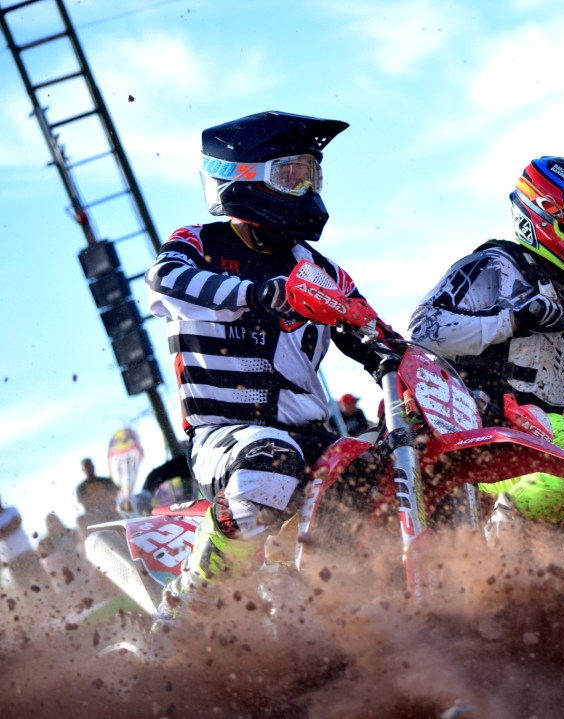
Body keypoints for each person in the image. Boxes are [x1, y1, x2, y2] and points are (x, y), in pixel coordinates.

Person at [144, 111, 398, 629]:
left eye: (312, 176)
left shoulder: (321, 270)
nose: (306, 189)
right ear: (244, 177)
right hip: (226, 436)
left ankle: (360, 619)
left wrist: (403, 360)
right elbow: (164, 280)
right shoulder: (199, 243)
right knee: (270, 458)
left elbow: (375, 332)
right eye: (292, 176)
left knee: (387, 476)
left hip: (315, 439)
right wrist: (259, 294)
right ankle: (187, 606)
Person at [408, 155, 564, 532]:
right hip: (477, 430)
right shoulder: (494, 266)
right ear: (547, 213)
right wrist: (513, 319)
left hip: (534, 435)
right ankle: (501, 542)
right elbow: (424, 328)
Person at [0, 495, 48, 592]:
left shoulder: (11, 509)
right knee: (25, 590)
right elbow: (13, 525)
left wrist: (4, 531)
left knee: (44, 582)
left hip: (27, 552)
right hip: (12, 560)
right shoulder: (12, 513)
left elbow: (17, 522)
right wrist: (10, 526)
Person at [75, 458, 120, 539]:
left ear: (93, 466)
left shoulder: (105, 480)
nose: (89, 468)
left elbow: (116, 493)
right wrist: (101, 496)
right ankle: (88, 540)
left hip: (111, 512)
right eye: (86, 467)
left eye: (90, 466)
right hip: (93, 517)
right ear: (82, 470)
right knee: (80, 519)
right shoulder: (81, 487)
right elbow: (83, 501)